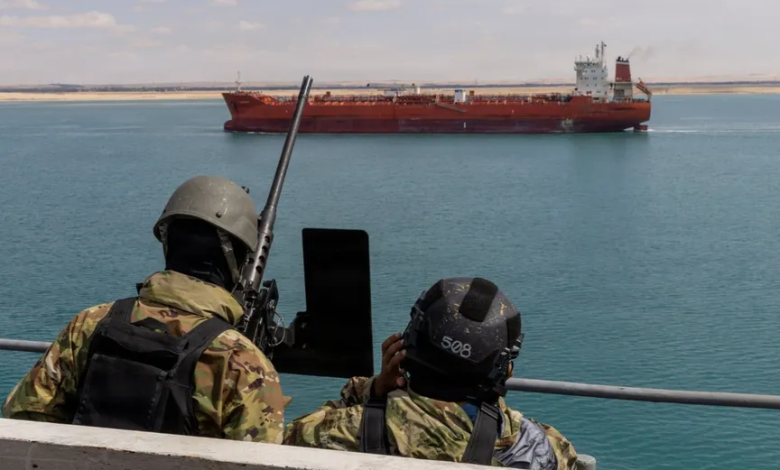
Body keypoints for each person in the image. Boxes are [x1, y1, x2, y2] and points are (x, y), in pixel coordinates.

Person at [2, 175, 285, 444]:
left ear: (167, 242)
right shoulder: (242, 361)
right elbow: (261, 458)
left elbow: (23, 416)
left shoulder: (89, 324)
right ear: (237, 259)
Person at [284, 277, 578, 469]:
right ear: (504, 368)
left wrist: (374, 390)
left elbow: (285, 441)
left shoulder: (340, 431)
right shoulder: (544, 448)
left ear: (406, 344)